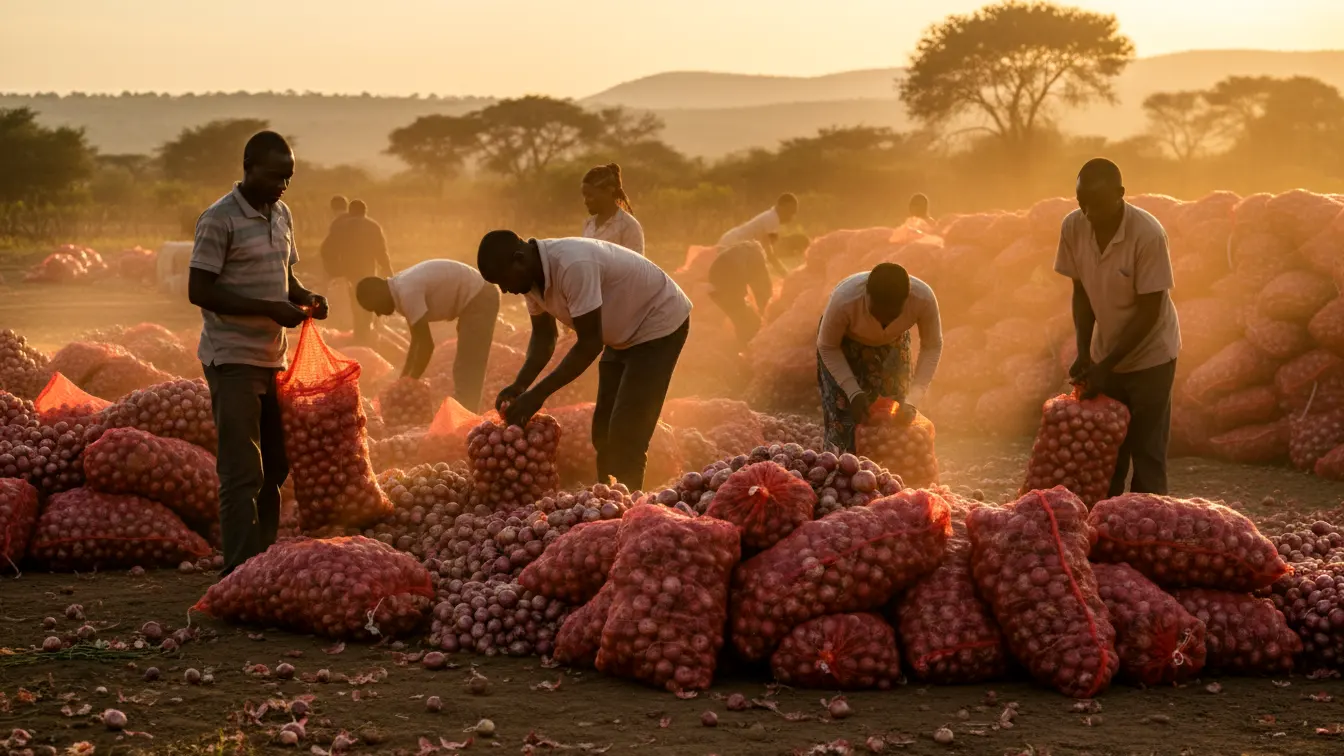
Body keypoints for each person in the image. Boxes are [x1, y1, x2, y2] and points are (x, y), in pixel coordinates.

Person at [187, 130, 328, 577]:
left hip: (274, 360)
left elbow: (286, 279)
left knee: (276, 467)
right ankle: (238, 571)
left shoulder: (282, 214)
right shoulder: (219, 219)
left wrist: (308, 298)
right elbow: (200, 290)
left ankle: (261, 561)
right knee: (242, 471)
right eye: (274, 176)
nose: (283, 186)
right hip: (232, 358)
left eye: (288, 177)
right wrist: (267, 308)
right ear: (247, 168)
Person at [477, 232, 691, 490]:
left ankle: (629, 510)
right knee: (602, 431)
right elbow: (545, 337)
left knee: (627, 432)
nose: (505, 290)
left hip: (657, 322)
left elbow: (590, 345)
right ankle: (609, 498)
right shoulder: (529, 279)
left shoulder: (572, 266)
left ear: (519, 258)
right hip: (620, 334)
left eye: (503, 281)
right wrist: (520, 385)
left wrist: (537, 395)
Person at [1056, 158, 1181, 497]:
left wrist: (1105, 366)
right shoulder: (1073, 227)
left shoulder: (1148, 234)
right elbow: (1081, 294)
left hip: (1151, 357)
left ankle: (1147, 530)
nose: (1088, 213)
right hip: (1104, 353)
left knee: (1147, 452)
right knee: (1106, 453)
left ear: (1120, 194)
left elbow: (1150, 311)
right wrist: (1085, 353)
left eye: (1095, 204)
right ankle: (1105, 530)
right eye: (1081, 203)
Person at [816, 263, 942, 454]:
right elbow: (827, 346)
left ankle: (889, 477)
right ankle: (846, 474)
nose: (883, 321)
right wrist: (853, 391)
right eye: (876, 313)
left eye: (892, 315)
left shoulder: (923, 299)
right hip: (843, 345)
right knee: (846, 417)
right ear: (867, 296)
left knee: (895, 416)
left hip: (892, 343)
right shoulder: (844, 300)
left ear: (906, 302)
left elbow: (932, 346)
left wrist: (913, 399)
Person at [355, 260, 499, 412]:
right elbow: (416, 341)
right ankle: (466, 412)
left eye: (375, 307)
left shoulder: (407, 293)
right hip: (474, 296)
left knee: (467, 364)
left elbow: (426, 345)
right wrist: (403, 379)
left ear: (378, 295)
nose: (378, 313)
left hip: (479, 296)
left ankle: (466, 417)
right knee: (464, 365)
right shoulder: (399, 288)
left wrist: (411, 381)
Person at [321, 199, 392, 345]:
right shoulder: (373, 226)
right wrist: (388, 270)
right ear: (365, 211)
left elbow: (326, 250)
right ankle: (364, 334)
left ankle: (360, 335)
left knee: (355, 302)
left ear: (350, 211)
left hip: (349, 271)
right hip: (368, 271)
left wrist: (334, 269)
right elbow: (381, 252)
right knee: (367, 303)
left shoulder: (340, 227)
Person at [707, 241, 772, 346]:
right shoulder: (756, 256)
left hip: (714, 276)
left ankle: (741, 343)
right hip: (730, 273)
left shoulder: (741, 250)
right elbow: (763, 288)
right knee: (745, 317)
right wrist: (765, 313)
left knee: (736, 314)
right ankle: (747, 344)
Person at [718, 193, 798, 277]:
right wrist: (785, 274)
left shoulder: (771, 216)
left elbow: (768, 250)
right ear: (782, 207)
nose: (792, 216)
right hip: (731, 245)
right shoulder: (772, 219)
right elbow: (770, 253)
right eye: (791, 212)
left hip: (729, 241)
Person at [581, 163, 645, 255]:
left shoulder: (628, 226)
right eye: (585, 196)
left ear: (608, 191)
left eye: (590, 196)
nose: (586, 201)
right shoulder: (589, 224)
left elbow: (635, 266)